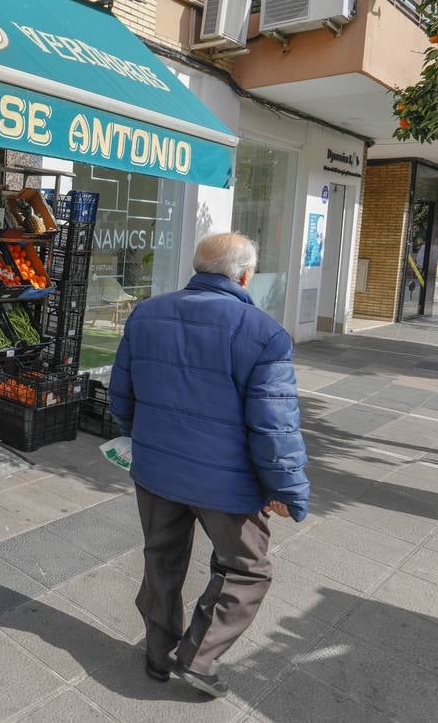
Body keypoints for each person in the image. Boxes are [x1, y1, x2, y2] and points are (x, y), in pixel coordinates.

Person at [108, 232, 309, 700]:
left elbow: (121, 395)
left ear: (198, 268)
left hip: (157, 470)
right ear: (245, 276)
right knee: (247, 569)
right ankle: (198, 657)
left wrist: (143, 436)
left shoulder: (146, 314)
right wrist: (287, 490)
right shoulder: (264, 333)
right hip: (227, 483)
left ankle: (158, 653)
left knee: (161, 558)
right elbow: (275, 428)